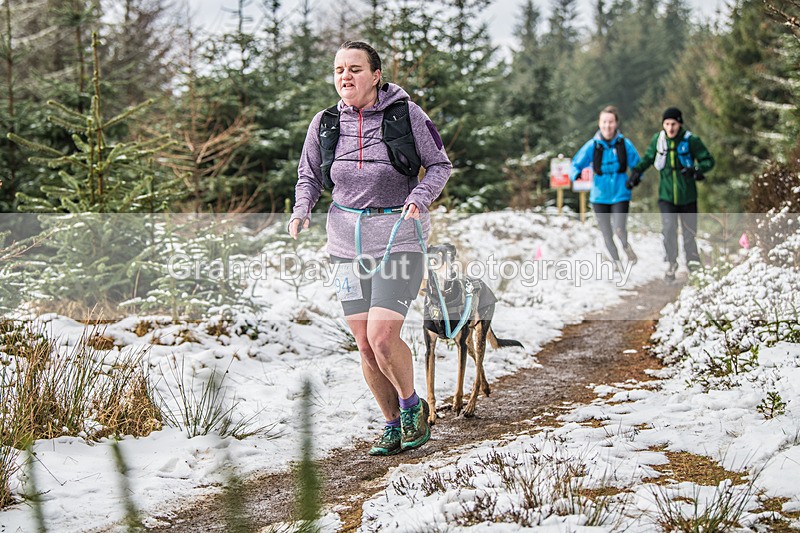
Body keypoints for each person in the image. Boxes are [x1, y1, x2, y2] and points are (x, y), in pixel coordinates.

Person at [289, 41, 452, 456]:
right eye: (340, 69)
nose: (346, 76)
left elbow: (439, 165)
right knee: (363, 342)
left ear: (376, 74)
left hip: (399, 236)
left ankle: (413, 405)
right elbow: (308, 175)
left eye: (356, 69)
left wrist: (420, 196)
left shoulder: (407, 114)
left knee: (382, 336)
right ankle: (392, 425)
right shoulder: (324, 123)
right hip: (344, 243)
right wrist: (301, 209)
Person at [628, 107, 715, 281]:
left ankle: (693, 266)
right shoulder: (658, 140)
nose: (670, 128)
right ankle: (671, 263)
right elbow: (648, 158)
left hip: (688, 196)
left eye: (673, 124)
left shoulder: (691, 141)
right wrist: (636, 173)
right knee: (668, 229)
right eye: (666, 124)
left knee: (689, 233)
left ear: (680, 123)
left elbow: (708, 160)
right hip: (666, 196)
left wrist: (696, 170)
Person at [570, 106, 642, 273]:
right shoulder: (593, 146)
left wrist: (635, 178)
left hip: (620, 193)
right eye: (604, 122)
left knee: (619, 228)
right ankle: (617, 263)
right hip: (599, 196)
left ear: (616, 123)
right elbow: (576, 163)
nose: (607, 126)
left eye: (610, 122)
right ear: (599, 123)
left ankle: (625, 246)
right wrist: (576, 174)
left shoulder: (624, 144)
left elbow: (638, 165)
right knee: (606, 233)